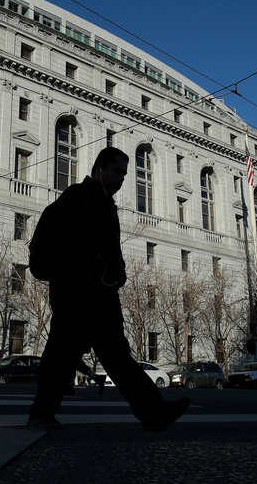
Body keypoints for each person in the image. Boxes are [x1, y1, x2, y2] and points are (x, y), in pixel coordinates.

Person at [27, 147, 190, 430]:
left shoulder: (104, 203)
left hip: (100, 295)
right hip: (77, 294)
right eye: (117, 172)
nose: (121, 179)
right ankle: (42, 413)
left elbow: (106, 250)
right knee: (64, 353)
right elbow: (63, 244)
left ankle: (153, 412)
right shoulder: (78, 196)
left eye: (125, 175)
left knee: (109, 355)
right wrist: (89, 267)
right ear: (99, 168)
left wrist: (118, 272)